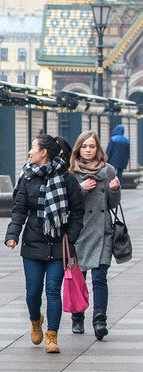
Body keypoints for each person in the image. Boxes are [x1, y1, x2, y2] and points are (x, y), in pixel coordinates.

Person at [5, 134, 84, 354]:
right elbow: (19, 209)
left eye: (33, 148)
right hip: (33, 242)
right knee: (32, 292)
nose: (30, 152)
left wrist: (72, 236)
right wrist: (13, 234)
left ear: (44, 153)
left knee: (52, 291)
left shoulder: (66, 179)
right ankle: (35, 320)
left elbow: (77, 211)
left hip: (59, 244)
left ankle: (52, 335)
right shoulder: (28, 177)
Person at [69, 131, 120, 340]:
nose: (88, 150)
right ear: (78, 149)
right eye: (84, 147)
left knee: (100, 277)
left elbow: (113, 204)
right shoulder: (71, 172)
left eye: (92, 146)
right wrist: (80, 188)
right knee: (79, 278)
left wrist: (115, 190)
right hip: (79, 232)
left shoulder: (108, 171)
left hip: (102, 232)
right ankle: (77, 316)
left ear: (98, 149)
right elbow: (66, 202)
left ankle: (100, 319)